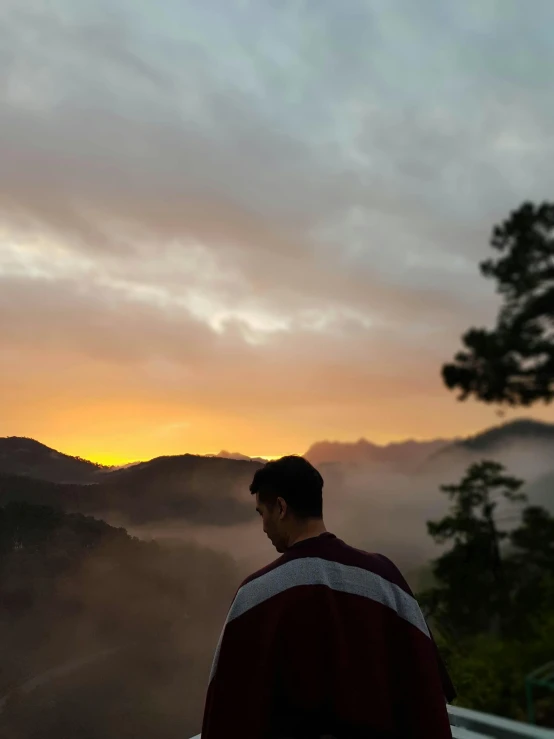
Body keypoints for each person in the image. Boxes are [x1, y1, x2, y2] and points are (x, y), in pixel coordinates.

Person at [201, 455, 456, 739]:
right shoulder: (387, 580)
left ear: (281, 508)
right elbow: (426, 692)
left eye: (263, 513)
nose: (263, 527)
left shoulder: (255, 596)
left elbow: (226, 711)